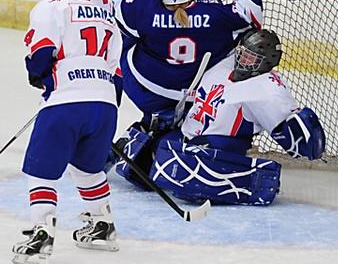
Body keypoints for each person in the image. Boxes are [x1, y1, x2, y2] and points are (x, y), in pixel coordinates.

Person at [119, 29, 326, 205]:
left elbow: (300, 143)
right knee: (136, 164)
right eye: (242, 54)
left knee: (167, 168)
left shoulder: (268, 90)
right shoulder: (224, 65)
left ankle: (240, 178)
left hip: (219, 148)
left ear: (268, 61)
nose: (242, 61)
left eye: (250, 58)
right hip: (186, 137)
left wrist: (302, 130)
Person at [107, 0, 268, 184]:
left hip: (148, 90)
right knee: (227, 48)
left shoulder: (145, 9)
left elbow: (115, 2)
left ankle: (153, 126)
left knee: (128, 40)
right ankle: (175, 133)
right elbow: (251, 14)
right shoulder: (213, 15)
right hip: (196, 93)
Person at [12, 0, 123, 264]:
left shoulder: (50, 7)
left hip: (66, 103)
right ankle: (103, 226)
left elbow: (41, 57)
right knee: (87, 167)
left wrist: (42, 79)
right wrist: (101, 110)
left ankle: (41, 233)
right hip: (104, 105)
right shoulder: (108, 16)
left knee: (41, 170)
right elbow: (117, 76)